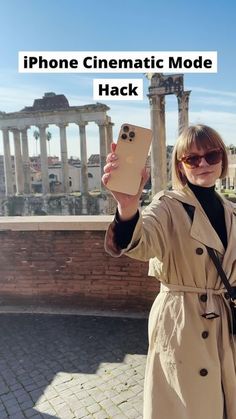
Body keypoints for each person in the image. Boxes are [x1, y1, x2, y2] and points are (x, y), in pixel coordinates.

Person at [102, 124, 236, 419]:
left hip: (225, 322)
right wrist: (127, 206)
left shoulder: (232, 211)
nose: (203, 164)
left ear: (222, 160)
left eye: (211, 155)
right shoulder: (167, 205)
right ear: (180, 165)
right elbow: (142, 241)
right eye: (192, 158)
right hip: (183, 322)